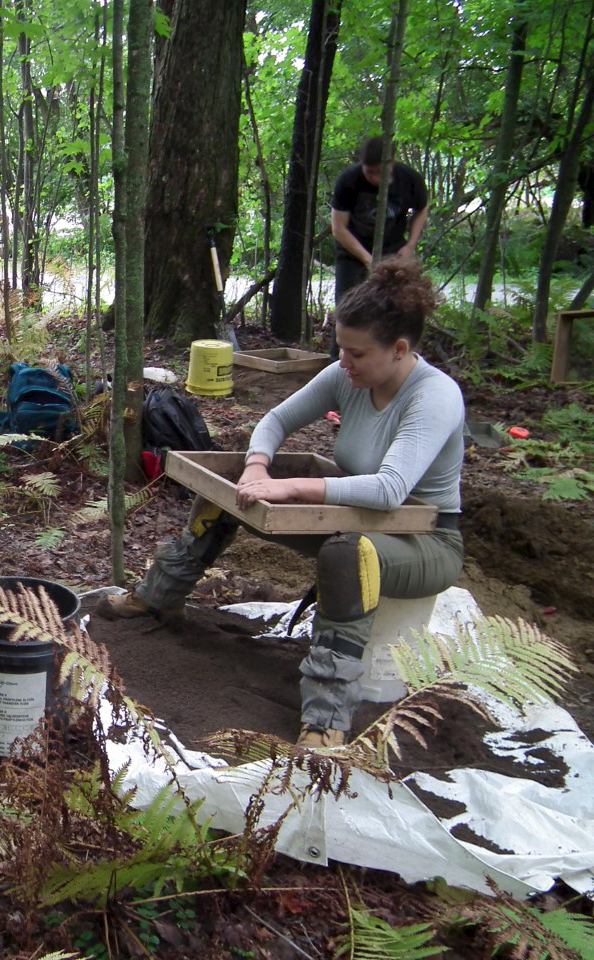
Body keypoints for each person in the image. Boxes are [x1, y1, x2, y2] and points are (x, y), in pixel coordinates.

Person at [96, 259, 464, 749]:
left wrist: (290, 488)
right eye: (340, 349)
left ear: (399, 350)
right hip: (351, 515)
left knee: (347, 556)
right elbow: (274, 421)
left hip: (423, 538)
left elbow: (389, 490)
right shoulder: (346, 375)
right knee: (227, 493)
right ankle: (158, 597)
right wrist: (255, 468)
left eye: (356, 353)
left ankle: (327, 717)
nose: (344, 362)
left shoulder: (434, 396)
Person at [329, 136, 429, 357]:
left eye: (379, 173)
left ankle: (393, 360)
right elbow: (338, 229)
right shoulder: (348, 180)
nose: (374, 178)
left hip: (393, 249)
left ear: (392, 162)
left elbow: (422, 208)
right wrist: (367, 259)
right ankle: (339, 363)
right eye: (369, 172)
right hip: (353, 252)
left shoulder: (409, 179)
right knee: (347, 310)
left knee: (397, 307)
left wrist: (410, 245)